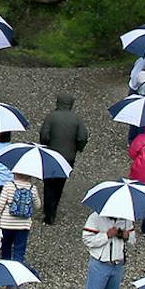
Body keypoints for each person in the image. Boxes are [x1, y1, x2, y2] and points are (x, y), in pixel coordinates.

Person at [79, 210, 134, 289]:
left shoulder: (127, 219)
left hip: (118, 264)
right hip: (99, 263)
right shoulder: (95, 217)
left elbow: (132, 239)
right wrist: (106, 235)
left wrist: (126, 236)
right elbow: (87, 239)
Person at [36, 96, 88, 226]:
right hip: (68, 158)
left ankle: (48, 213)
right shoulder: (77, 119)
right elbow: (82, 137)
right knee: (60, 183)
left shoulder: (51, 117)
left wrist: (46, 146)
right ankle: (54, 209)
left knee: (49, 184)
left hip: (51, 156)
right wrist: (77, 148)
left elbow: (44, 134)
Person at [0, 171, 40, 263]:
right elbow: (38, 205)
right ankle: (18, 267)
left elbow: (1, 204)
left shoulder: (9, 186)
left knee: (6, 246)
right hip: (23, 225)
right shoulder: (33, 188)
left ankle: (6, 265)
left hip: (6, 224)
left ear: (15, 174)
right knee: (19, 249)